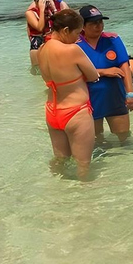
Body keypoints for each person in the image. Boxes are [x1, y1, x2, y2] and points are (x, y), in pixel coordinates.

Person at [37, 9, 100, 180]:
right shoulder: (72, 50)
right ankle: (84, 200)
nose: (79, 38)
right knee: (83, 165)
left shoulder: (42, 49)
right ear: (65, 31)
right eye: (78, 33)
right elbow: (94, 75)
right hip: (75, 112)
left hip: (52, 111)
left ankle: (57, 194)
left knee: (60, 161)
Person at [76, 5, 133, 143]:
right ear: (83, 26)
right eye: (93, 23)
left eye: (100, 22)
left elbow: (124, 66)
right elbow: (72, 74)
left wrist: (130, 93)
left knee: (124, 138)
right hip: (90, 99)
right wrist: (103, 72)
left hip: (115, 97)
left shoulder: (113, 39)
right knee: (97, 140)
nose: (99, 26)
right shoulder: (75, 44)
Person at [25, 0, 53, 73]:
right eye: (43, 2)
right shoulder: (30, 13)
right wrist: (41, 10)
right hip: (37, 42)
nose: (45, 4)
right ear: (36, 2)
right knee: (37, 71)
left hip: (49, 41)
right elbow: (39, 28)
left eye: (46, 1)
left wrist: (53, 8)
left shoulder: (49, 11)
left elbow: (60, 24)